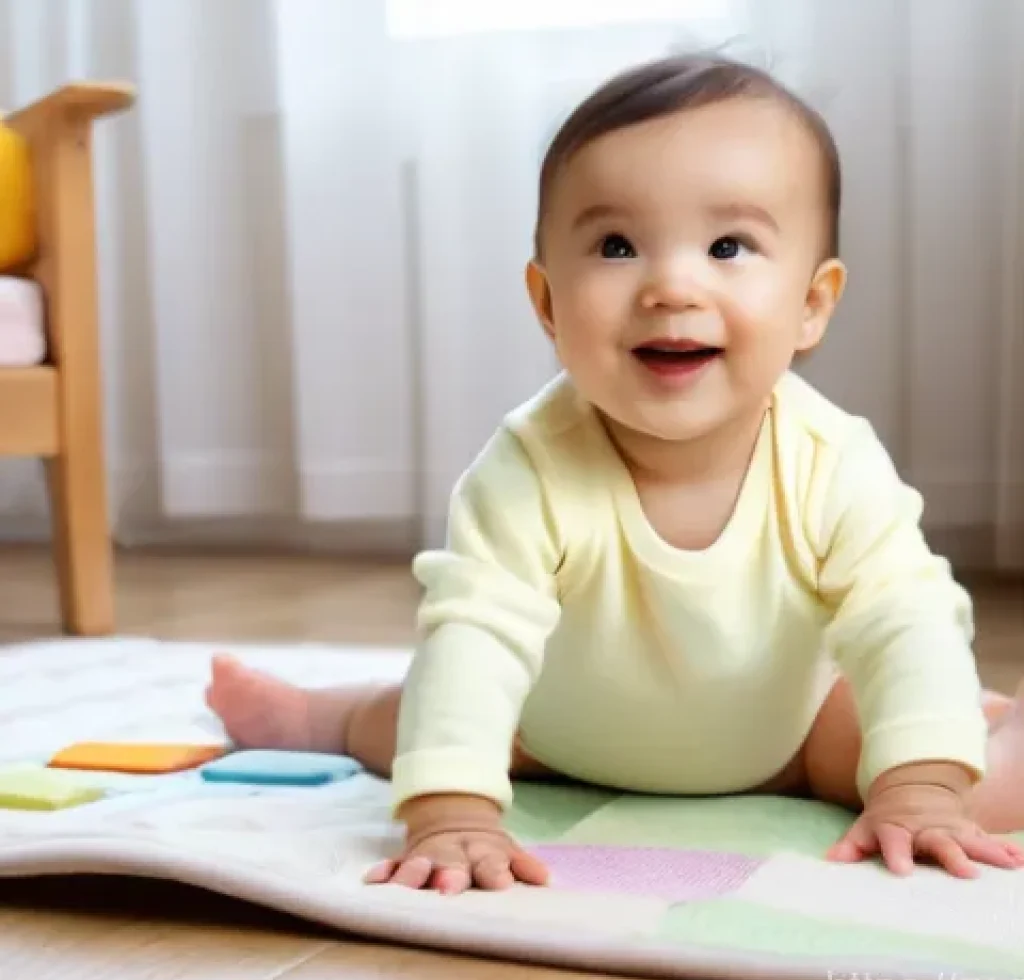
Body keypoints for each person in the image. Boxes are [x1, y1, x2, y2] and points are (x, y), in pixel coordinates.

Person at [206, 54, 1024, 895]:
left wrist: (921, 786)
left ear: (812, 304)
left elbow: (902, 617)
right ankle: (322, 713)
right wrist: (449, 813)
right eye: (617, 246)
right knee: (427, 717)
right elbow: (475, 635)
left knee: (947, 774)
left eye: (728, 246)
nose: (671, 286)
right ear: (548, 303)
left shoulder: (832, 462)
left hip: (785, 738)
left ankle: (998, 731)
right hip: (556, 734)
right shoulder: (530, 465)